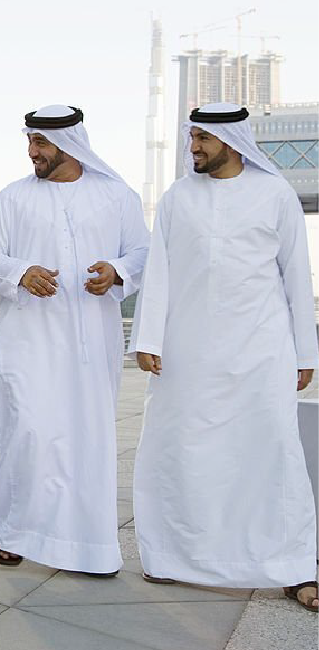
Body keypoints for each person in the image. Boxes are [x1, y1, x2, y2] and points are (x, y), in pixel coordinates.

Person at [131, 103, 319, 611]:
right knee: (181, 452)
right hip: (187, 353)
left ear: (230, 142)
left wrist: (305, 351)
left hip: (261, 349)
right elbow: (161, 273)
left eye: (201, 139)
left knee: (273, 454)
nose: (193, 147)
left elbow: (296, 276)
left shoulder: (275, 193)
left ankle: (294, 567)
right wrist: (148, 340)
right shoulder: (177, 198)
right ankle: (172, 557)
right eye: (191, 137)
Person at [0, 104, 149, 575]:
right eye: (30, 141)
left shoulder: (116, 195)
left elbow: (142, 251)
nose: (32, 152)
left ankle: (88, 546)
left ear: (68, 145)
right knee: (27, 431)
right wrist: (21, 272)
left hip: (92, 343)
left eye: (40, 143)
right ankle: (13, 532)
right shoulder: (13, 197)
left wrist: (118, 273)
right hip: (26, 341)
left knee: (85, 438)